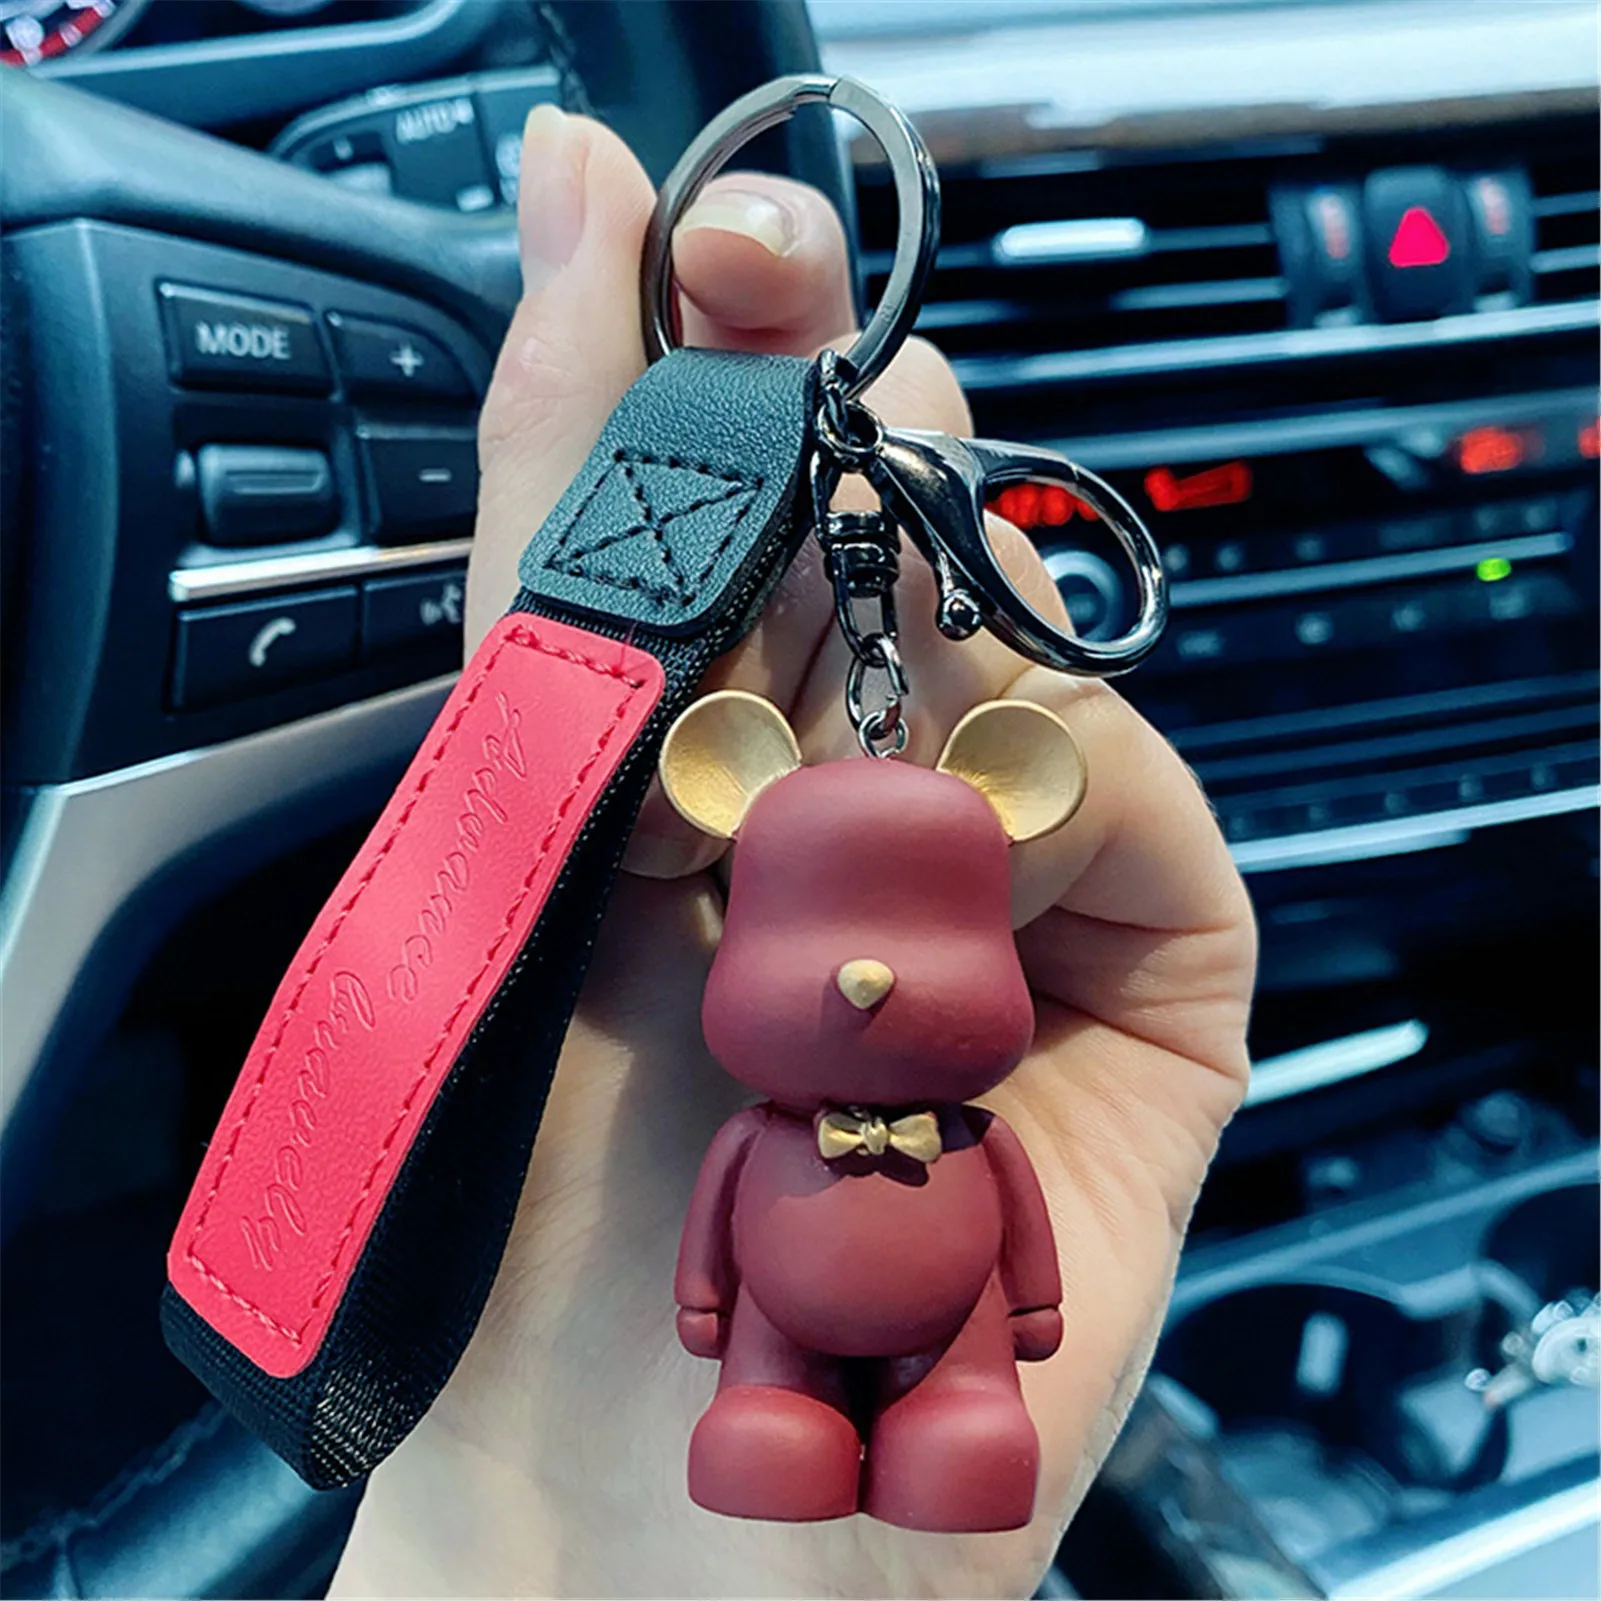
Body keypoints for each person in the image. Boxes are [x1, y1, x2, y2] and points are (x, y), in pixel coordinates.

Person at [329, 105, 1257, 1599]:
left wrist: (1023, 1318)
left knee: (968, 1396)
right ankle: (774, 1412)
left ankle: (951, 1416)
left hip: (953, 1338)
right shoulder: (752, 1139)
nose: (872, 973)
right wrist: (702, 1319)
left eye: (922, 930)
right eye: (821, 927)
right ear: (728, 789)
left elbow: (1023, 1251)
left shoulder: (978, 1137)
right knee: (764, 1391)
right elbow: (711, 1249)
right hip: (741, 1355)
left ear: (1010, 797)